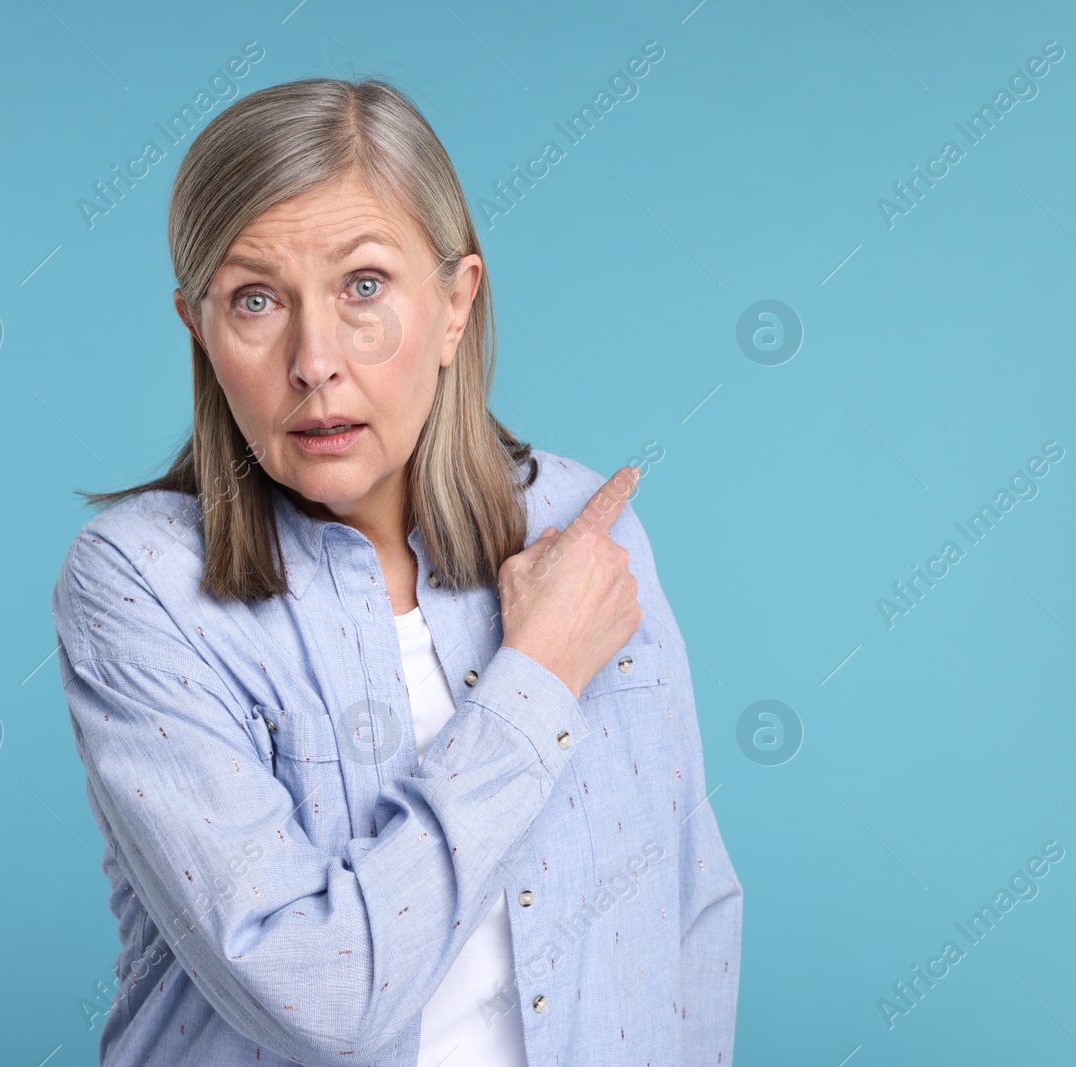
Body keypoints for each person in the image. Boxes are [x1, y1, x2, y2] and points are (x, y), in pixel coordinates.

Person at [49, 77, 741, 1066]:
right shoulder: (142, 584)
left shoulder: (581, 529)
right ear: (198, 328)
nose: (315, 360)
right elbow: (318, 998)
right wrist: (536, 676)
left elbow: (688, 907)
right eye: (255, 299)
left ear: (456, 301)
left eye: (363, 286)